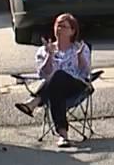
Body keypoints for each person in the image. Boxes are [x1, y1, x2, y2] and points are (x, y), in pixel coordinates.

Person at [14, 13, 91, 148]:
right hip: (54, 90)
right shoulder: (44, 50)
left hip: (76, 86)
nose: (59, 29)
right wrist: (49, 56)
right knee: (56, 89)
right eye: (57, 25)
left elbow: (85, 73)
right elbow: (42, 73)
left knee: (59, 75)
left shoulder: (80, 48)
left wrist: (79, 56)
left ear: (72, 31)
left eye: (63, 26)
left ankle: (35, 100)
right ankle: (63, 137)